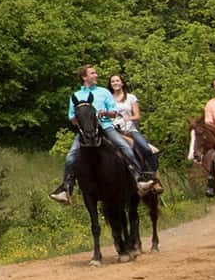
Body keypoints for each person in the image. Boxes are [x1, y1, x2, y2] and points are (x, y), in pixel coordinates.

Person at [49, 64, 157, 204]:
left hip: (105, 127)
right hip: (85, 132)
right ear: (84, 77)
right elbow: (72, 118)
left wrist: (105, 113)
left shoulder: (104, 92)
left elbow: (114, 112)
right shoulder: (75, 96)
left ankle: (139, 179)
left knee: (124, 147)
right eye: (93, 73)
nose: (96, 75)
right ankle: (66, 189)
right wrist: (79, 118)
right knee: (71, 156)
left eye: (95, 73)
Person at [108, 73, 159, 173]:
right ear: (110, 84)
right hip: (114, 130)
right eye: (113, 81)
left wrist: (129, 118)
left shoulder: (131, 97)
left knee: (146, 149)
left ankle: (152, 173)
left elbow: (137, 116)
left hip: (130, 130)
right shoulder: (108, 98)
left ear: (122, 83)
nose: (115, 83)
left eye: (117, 80)